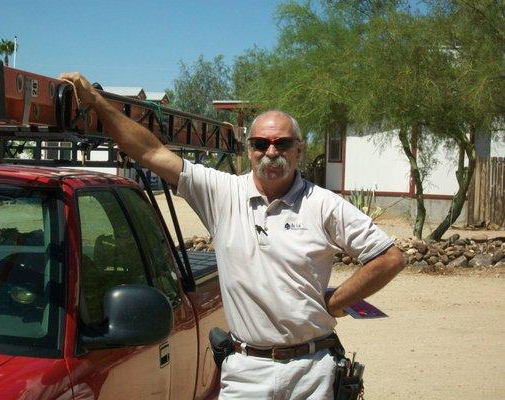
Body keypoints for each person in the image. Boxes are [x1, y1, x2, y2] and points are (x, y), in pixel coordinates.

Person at [60, 72, 405, 399]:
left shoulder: (325, 205)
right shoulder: (220, 193)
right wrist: (95, 100)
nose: (271, 152)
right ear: (248, 149)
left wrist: (335, 302)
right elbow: (150, 152)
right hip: (245, 372)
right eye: (260, 143)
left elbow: (389, 258)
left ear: (298, 150)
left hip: (312, 371)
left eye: (282, 143)